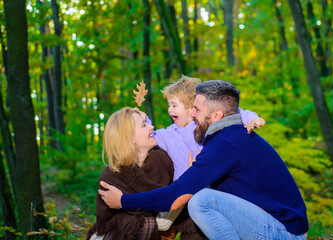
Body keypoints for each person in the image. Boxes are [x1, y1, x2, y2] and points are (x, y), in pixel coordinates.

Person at [99, 80, 309, 240]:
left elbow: (175, 197)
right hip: (277, 224)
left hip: (285, 232)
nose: (192, 114)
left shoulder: (225, 144)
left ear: (216, 115)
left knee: (202, 200)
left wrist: (122, 201)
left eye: (197, 110)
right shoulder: (232, 136)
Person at [86, 107, 202, 240]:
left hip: (159, 224)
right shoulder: (112, 176)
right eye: (144, 125)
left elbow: (168, 198)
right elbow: (112, 220)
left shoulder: (161, 159)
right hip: (114, 233)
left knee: (194, 211)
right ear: (129, 138)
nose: (151, 126)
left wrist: (191, 173)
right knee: (145, 224)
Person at [149, 75, 265, 180]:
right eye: (169, 105)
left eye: (174, 105)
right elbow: (149, 133)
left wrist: (252, 119)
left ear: (191, 107)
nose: (170, 110)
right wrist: (140, 117)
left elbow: (238, 112)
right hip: (183, 187)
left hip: (209, 181)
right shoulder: (169, 134)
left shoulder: (205, 125)